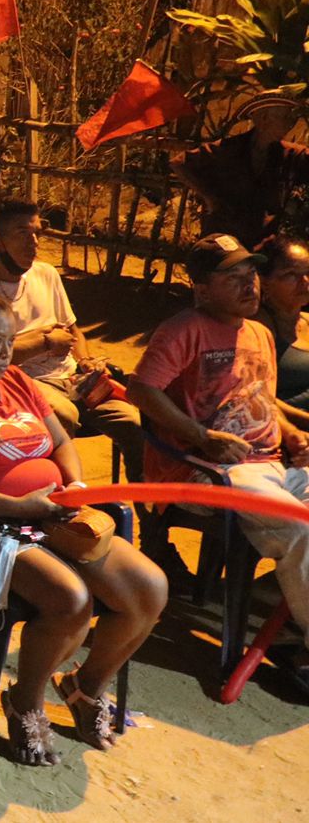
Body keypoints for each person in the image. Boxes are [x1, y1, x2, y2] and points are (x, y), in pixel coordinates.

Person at [0, 289, 167, 764]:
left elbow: (62, 440)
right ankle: (24, 701)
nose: (6, 353)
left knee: (149, 588)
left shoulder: (19, 383)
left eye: (10, 341)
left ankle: (84, 688)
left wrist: (75, 484)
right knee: (71, 601)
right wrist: (19, 507)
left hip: (52, 517)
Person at [126, 233, 309, 684]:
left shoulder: (260, 333)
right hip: (204, 469)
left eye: (252, 275)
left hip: (269, 462)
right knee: (300, 527)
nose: (251, 286)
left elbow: (259, 396)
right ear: (203, 288)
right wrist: (200, 436)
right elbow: (141, 390)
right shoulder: (183, 330)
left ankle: (292, 630)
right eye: (234, 278)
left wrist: (290, 432)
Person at [0, 198, 145, 480]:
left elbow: (74, 331)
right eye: (22, 233)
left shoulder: (47, 274)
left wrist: (86, 360)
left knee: (133, 422)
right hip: (25, 385)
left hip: (74, 378)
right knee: (64, 415)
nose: (34, 242)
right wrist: (46, 342)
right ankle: (62, 498)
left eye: (37, 233)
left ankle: (149, 510)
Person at [174, 99, 309, 246]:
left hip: (261, 241)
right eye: (285, 117)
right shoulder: (229, 149)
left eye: (293, 118)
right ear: (263, 119)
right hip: (222, 238)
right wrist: (210, 197)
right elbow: (180, 163)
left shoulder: (291, 154)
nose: (290, 123)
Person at [258, 235, 309, 426]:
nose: (305, 281)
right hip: (285, 430)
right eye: (291, 274)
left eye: (308, 271)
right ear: (265, 282)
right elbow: (255, 395)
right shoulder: (258, 330)